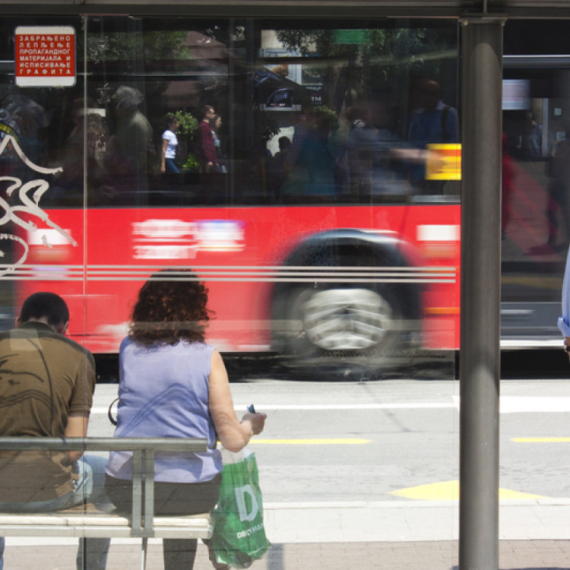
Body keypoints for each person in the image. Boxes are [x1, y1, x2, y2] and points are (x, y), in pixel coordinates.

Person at [104, 270, 267, 570]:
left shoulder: (128, 349)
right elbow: (231, 440)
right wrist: (249, 424)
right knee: (190, 487)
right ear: (195, 312)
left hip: (126, 488)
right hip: (187, 493)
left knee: (176, 485)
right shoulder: (207, 357)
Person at [0, 293, 107, 570]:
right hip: (48, 491)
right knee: (111, 474)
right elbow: (74, 449)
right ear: (63, 328)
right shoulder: (79, 356)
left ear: (18, 321)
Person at [197, 105, 219, 173]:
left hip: (211, 158)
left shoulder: (208, 126)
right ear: (207, 114)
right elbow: (205, 144)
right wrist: (209, 159)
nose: (213, 114)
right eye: (212, 113)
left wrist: (215, 160)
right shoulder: (204, 126)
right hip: (207, 159)